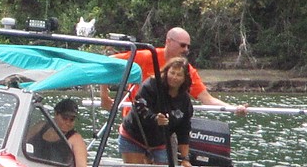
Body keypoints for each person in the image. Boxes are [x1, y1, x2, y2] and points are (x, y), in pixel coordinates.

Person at [101, 26, 248, 114]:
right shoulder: (146, 56)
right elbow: (108, 63)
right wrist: (104, 96)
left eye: (188, 46)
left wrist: (233, 107)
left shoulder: (187, 70)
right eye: (183, 45)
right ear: (168, 42)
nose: (186, 50)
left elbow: (207, 99)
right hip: (136, 120)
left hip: (165, 123)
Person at [118, 56, 194, 167]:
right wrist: (155, 119)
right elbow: (140, 108)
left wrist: (185, 159)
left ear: (184, 78)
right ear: (166, 72)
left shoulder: (185, 100)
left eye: (179, 75)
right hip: (134, 136)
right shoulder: (151, 85)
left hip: (160, 142)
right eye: (172, 73)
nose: (174, 77)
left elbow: (184, 130)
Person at [26, 97, 88, 167]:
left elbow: (82, 166)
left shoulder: (75, 139)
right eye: (64, 118)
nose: (68, 123)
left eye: (72, 119)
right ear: (56, 114)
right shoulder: (41, 127)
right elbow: (22, 141)